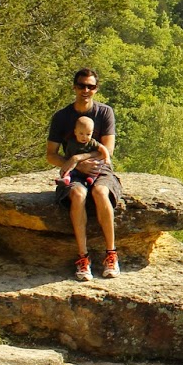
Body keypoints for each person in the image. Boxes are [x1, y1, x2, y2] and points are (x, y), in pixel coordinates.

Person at [47, 68, 124, 281]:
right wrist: (75, 166)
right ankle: (83, 258)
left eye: (91, 86)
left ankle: (111, 254)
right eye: (82, 85)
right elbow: (51, 155)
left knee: (100, 192)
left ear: (96, 89)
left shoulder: (104, 113)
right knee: (78, 194)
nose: (86, 90)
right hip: (74, 173)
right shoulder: (61, 117)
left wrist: (78, 158)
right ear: (74, 87)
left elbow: (108, 149)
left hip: (100, 168)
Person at [54, 114, 104, 188]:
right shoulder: (72, 143)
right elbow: (68, 157)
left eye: (88, 134)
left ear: (92, 133)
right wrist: (68, 164)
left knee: (96, 168)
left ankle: (91, 179)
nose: (84, 137)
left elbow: (103, 148)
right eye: (81, 133)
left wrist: (107, 158)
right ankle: (66, 179)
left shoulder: (92, 142)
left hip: (90, 165)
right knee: (69, 171)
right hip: (75, 167)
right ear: (75, 132)